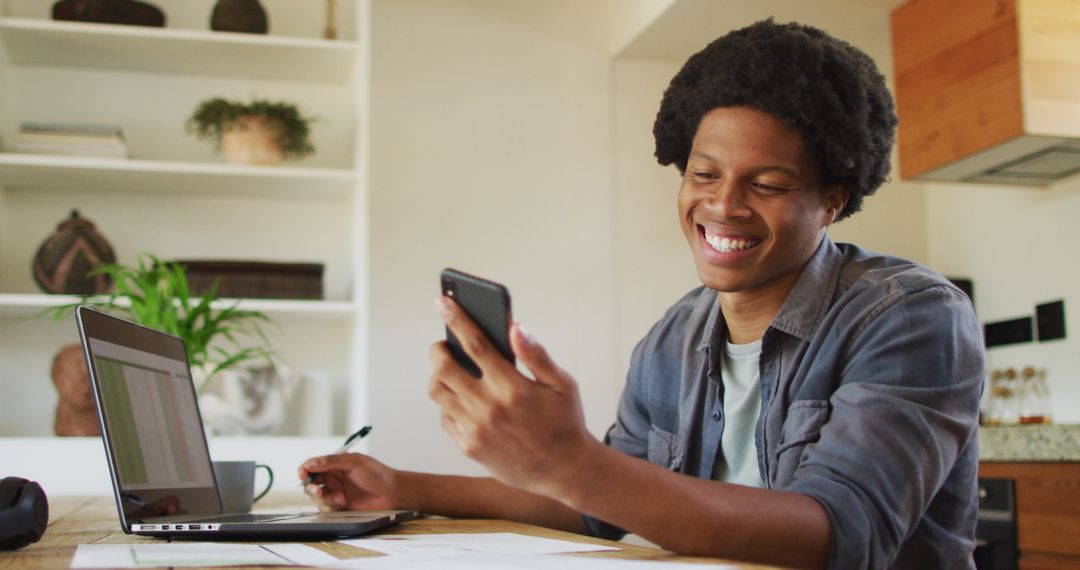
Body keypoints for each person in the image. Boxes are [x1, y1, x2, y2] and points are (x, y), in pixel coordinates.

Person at [299, 19, 983, 570]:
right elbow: (603, 503)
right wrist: (407, 489)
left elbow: (841, 538)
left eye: (767, 184)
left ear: (833, 199)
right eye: (703, 173)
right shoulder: (675, 336)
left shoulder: (911, 315)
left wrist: (575, 463)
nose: (724, 205)